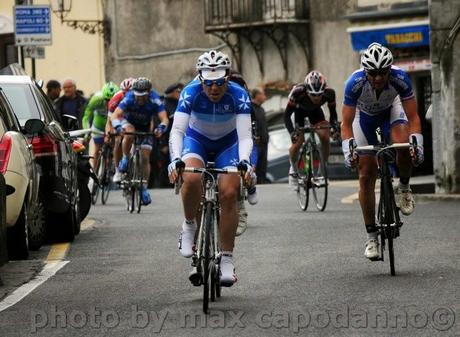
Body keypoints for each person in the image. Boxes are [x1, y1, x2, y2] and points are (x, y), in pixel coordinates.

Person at [168, 50, 254, 287]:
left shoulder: (239, 95)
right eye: (208, 83)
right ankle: (189, 224)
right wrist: (175, 159)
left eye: (218, 83)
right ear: (200, 79)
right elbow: (177, 131)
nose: (213, 89)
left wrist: (245, 160)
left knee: (228, 192)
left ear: (227, 79)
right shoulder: (190, 93)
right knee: (191, 178)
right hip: (197, 141)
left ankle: (226, 259)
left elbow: (245, 136)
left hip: (229, 144)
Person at [341, 42, 424, 260]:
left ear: (390, 69)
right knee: (366, 173)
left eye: (383, 72)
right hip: (363, 117)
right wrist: (348, 149)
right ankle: (371, 237)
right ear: (366, 71)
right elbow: (346, 123)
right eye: (373, 73)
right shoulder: (354, 83)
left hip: (391, 111)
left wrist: (418, 142)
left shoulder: (400, 78)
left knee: (402, 145)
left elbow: (413, 117)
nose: (378, 78)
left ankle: (404, 188)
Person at [110, 77, 169, 205]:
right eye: (138, 96)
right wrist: (117, 126)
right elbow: (115, 114)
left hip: (145, 126)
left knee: (145, 157)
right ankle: (125, 158)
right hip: (128, 122)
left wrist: (161, 128)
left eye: (143, 96)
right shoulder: (129, 98)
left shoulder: (155, 100)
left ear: (149, 92)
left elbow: (164, 118)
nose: (140, 99)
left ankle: (144, 187)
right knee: (129, 133)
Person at [284, 70, 338, 187]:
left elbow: (333, 114)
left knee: (325, 136)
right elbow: (287, 116)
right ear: (307, 91)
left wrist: (335, 128)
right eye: (313, 95)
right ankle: (293, 169)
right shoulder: (298, 92)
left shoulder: (330, 93)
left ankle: (322, 170)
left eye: (320, 94)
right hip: (299, 112)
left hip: (316, 112)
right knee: (298, 141)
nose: (317, 98)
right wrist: (292, 132)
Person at [82, 82, 119, 169]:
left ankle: (116, 168)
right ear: (103, 97)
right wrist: (87, 132)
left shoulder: (120, 99)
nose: (109, 103)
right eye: (107, 100)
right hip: (99, 125)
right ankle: (94, 172)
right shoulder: (96, 99)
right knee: (97, 149)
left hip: (112, 125)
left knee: (116, 146)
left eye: (112, 100)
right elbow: (86, 117)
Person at [108, 77, 134, 183]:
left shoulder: (140, 97)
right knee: (118, 140)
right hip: (119, 117)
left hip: (133, 117)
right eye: (124, 93)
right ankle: (118, 170)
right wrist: (109, 131)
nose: (126, 95)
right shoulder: (116, 98)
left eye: (129, 93)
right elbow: (110, 119)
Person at [251, 87, 269, 184]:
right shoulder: (251, 108)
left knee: (263, 165)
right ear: (257, 95)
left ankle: (262, 181)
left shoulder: (261, 109)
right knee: (255, 164)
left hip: (264, 142)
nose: (264, 96)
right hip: (255, 142)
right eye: (262, 94)